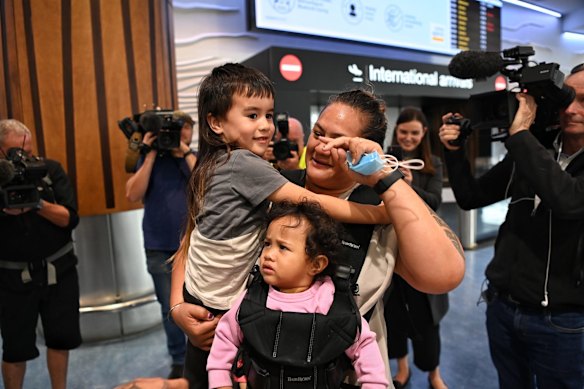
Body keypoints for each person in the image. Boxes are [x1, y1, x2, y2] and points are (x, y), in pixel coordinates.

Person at [170, 85, 465, 389]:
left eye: (340, 142)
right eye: (320, 133)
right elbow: (194, 241)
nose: (323, 147)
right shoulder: (271, 186)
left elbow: (443, 275)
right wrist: (177, 305)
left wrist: (382, 175)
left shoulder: (379, 209)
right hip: (256, 372)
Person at [438, 64, 584, 389]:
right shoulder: (535, 148)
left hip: (563, 322)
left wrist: (521, 137)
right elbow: (471, 196)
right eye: (568, 99)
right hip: (502, 308)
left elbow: (569, 200)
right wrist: (454, 152)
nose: (572, 110)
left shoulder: (527, 147)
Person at [207, 200, 388, 389]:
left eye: (282, 247)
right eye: (267, 244)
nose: (269, 254)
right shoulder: (252, 300)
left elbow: (364, 346)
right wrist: (220, 383)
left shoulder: (332, 302)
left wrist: (374, 384)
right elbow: (225, 339)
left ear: (316, 264)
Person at [0, 119, 82, 389]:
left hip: (59, 272)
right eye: (13, 153)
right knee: (15, 347)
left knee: (60, 339)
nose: (22, 159)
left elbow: (70, 218)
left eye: (27, 151)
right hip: (11, 279)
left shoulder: (49, 170)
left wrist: (38, 203)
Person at [125, 111, 196, 378]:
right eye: (178, 129)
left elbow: (208, 186)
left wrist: (185, 151)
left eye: (185, 128)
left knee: (201, 303)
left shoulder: (194, 157)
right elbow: (132, 193)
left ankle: (201, 356)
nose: (181, 133)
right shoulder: (149, 157)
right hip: (158, 245)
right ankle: (179, 360)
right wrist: (151, 153)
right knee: (170, 308)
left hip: (193, 247)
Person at [384, 107, 449, 389]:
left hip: (424, 251)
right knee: (393, 315)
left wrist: (407, 187)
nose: (408, 138)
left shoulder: (432, 162)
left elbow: (435, 201)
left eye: (414, 133)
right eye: (403, 132)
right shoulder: (385, 159)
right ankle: (402, 369)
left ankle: (434, 374)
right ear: (396, 132)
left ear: (423, 134)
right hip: (392, 251)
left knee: (427, 319)